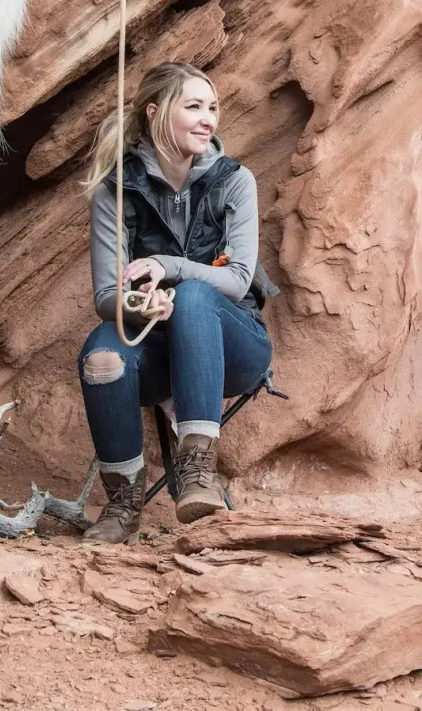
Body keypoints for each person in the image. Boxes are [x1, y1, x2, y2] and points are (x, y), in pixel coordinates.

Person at [76, 63, 274, 543]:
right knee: (102, 357)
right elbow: (107, 297)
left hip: (234, 347)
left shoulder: (235, 180)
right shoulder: (116, 187)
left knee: (195, 296)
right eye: (194, 107)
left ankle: (197, 469)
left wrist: (170, 267)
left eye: (212, 108)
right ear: (156, 112)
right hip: (157, 347)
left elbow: (239, 278)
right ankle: (123, 501)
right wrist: (146, 307)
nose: (208, 119)